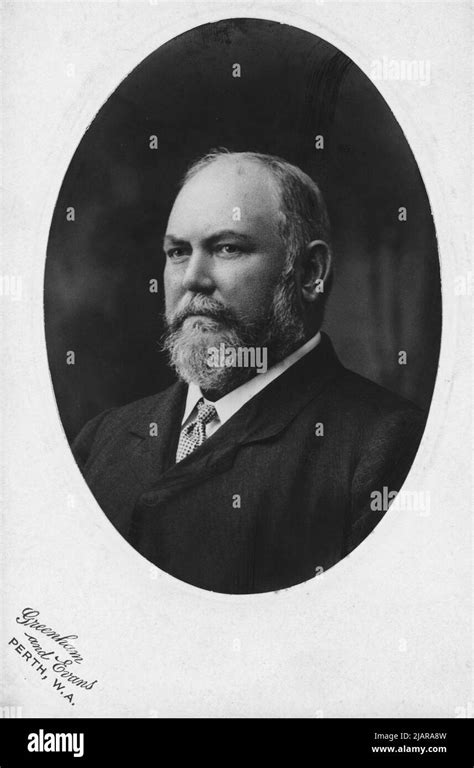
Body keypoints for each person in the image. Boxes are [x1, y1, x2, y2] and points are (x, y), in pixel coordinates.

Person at [72, 149, 425, 594]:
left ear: (310, 272)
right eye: (178, 252)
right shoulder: (100, 440)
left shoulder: (385, 449)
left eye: (227, 248)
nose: (193, 279)